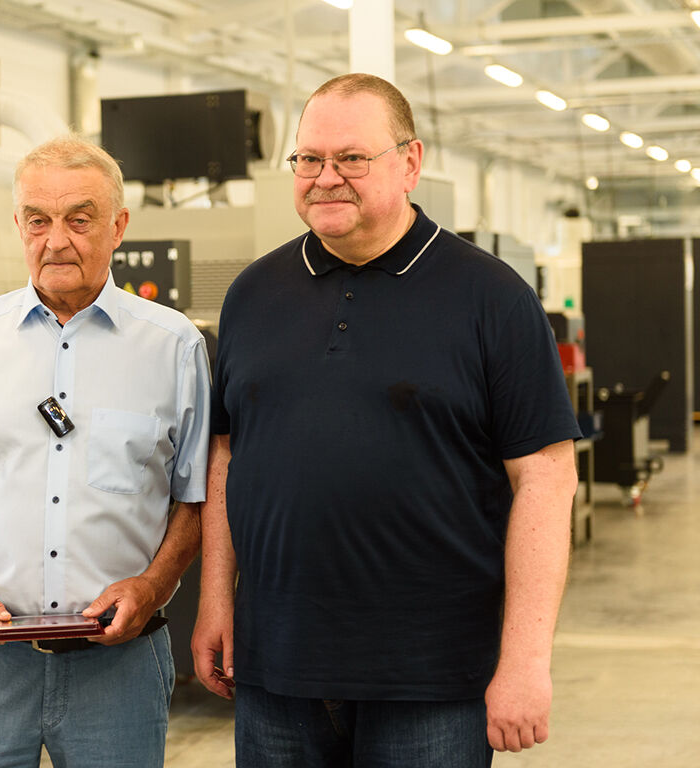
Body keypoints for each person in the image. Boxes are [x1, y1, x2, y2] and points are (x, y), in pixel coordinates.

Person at [191, 73, 581, 767]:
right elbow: (226, 456)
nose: (325, 178)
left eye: (351, 158)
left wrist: (526, 660)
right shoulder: (251, 294)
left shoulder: (492, 297)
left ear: (410, 162)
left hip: (431, 678)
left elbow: (547, 480)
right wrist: (215, 601)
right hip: (276, 668)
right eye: (309, 158)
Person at [0, 135, 210, 768]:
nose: (56, 241)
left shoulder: (173, 347)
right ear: (18, 225)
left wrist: (153, 586)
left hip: (119, 666)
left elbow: (196, 498)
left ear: (118, 227)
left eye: (79, 220)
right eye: (38, 220)